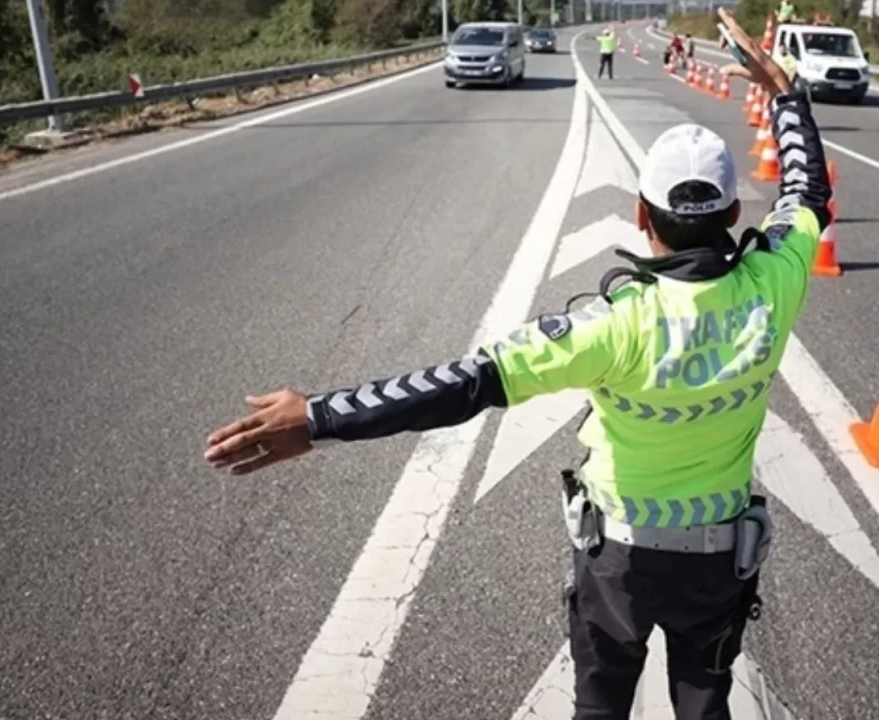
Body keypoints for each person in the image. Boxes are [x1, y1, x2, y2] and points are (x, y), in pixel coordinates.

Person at [203, 8, 831, 719]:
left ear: (641, 215)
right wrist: (784, 94)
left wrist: (318, 418)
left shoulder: (611, 326)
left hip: (620, 564)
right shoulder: (776, 281)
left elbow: (461, 384)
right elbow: (807, 192)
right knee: (706, 704)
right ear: (733, 212)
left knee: (599, 707)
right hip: (718, 562)